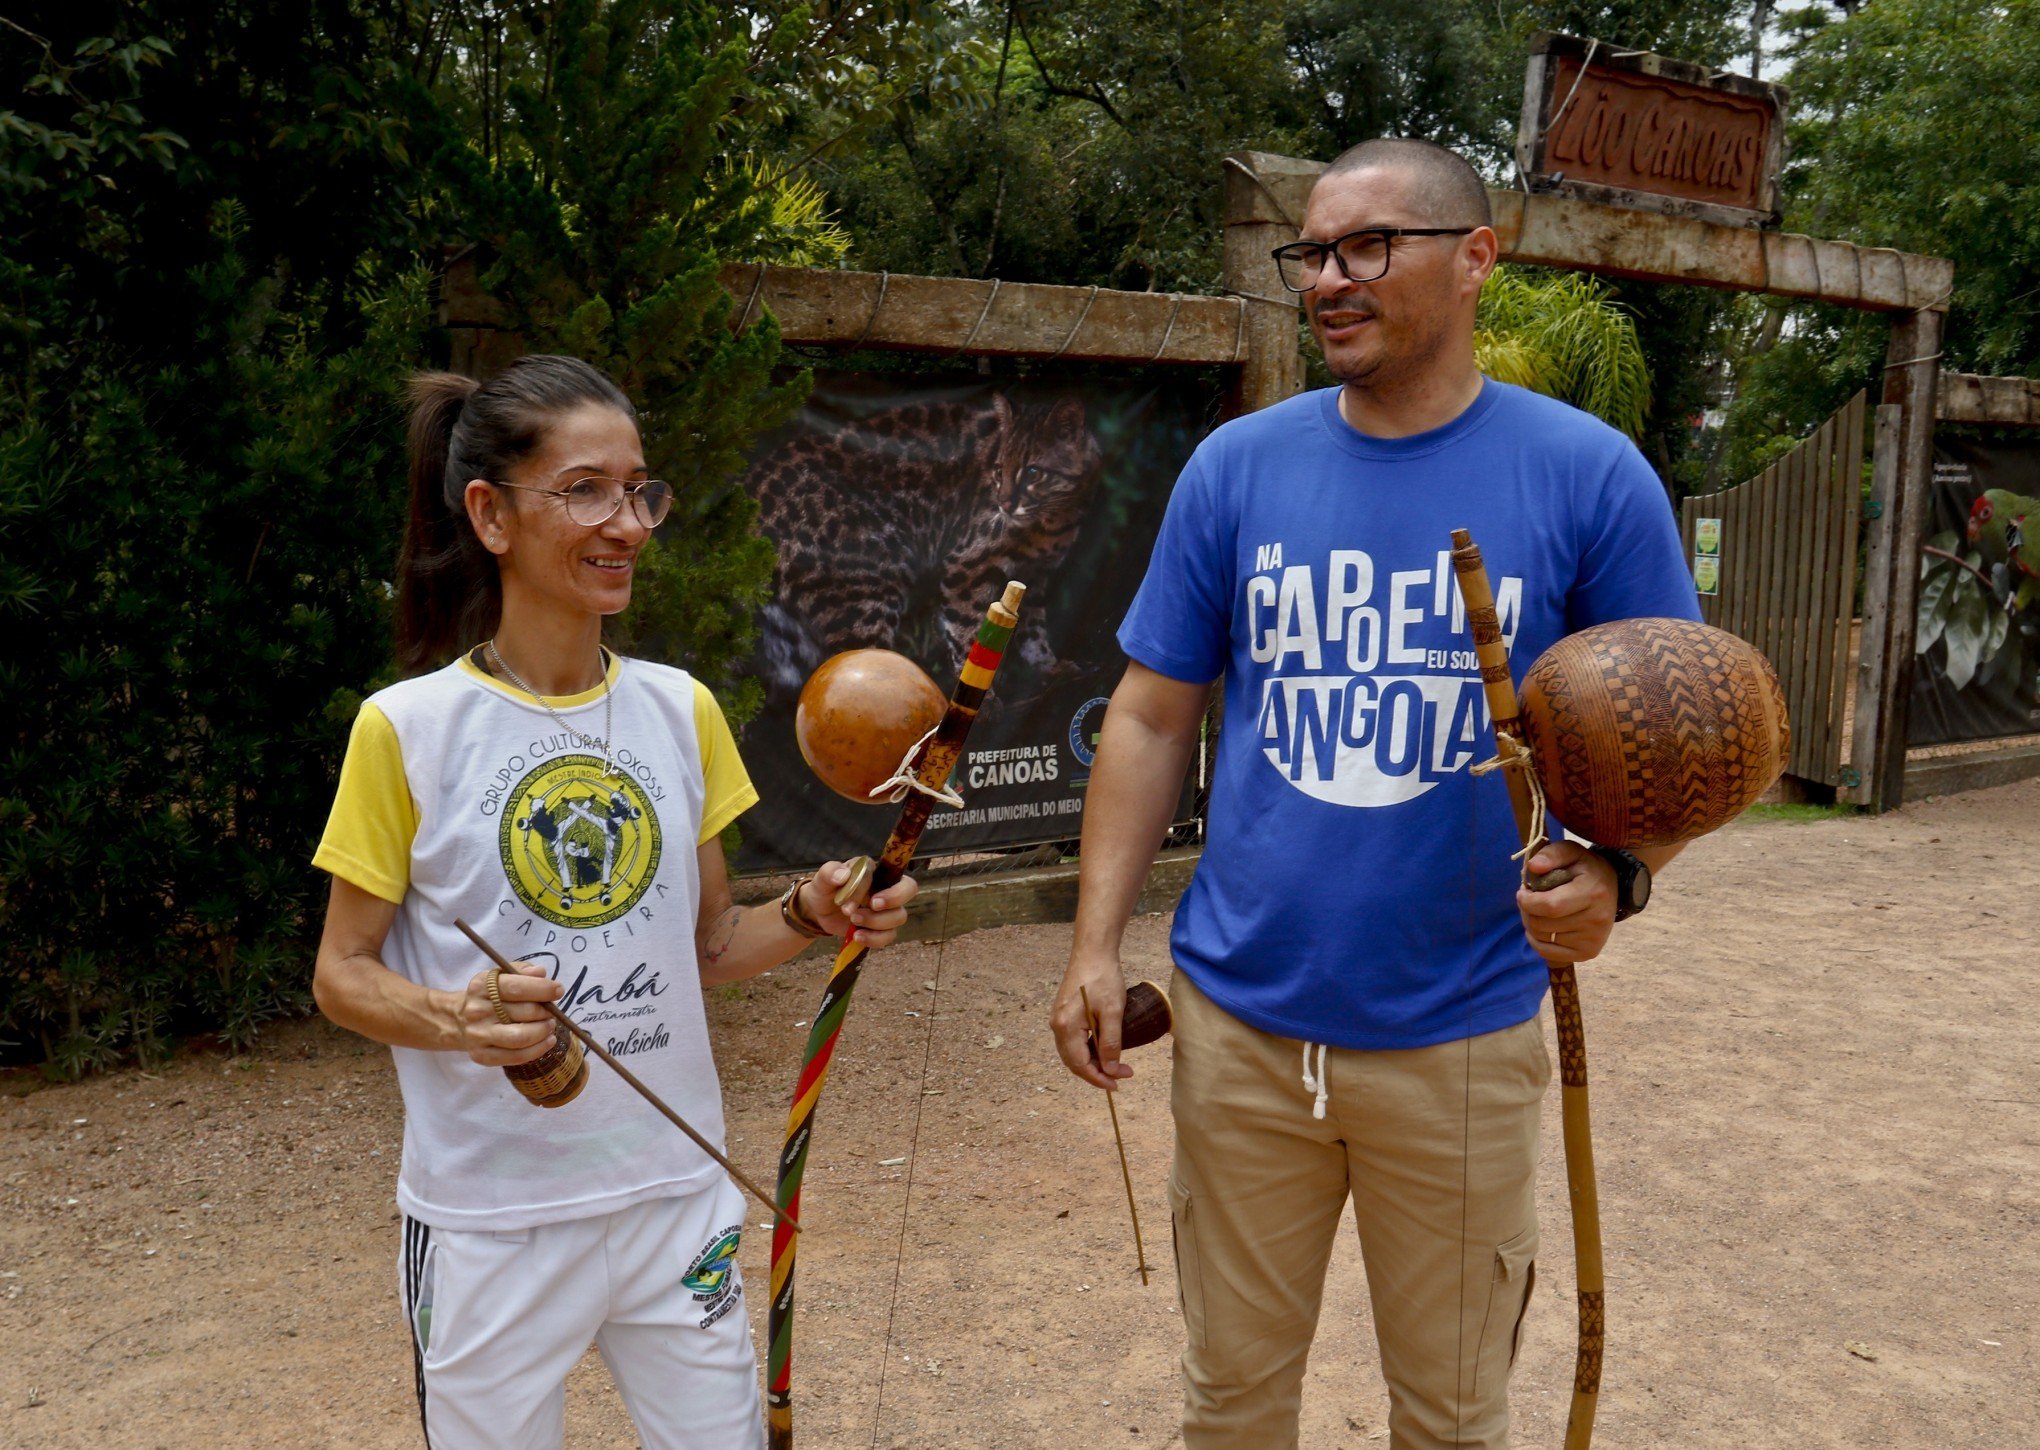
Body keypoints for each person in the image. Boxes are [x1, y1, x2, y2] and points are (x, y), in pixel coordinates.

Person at [1049, 139, 1698, 1449]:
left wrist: (1622, 872)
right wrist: (1093, 943)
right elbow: (1150, 710)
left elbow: (1669, 735)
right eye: (1315, 253)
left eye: (1368, 247)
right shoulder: (1238, 467)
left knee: (1453, 1418)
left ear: (1475, 257)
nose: (1330, 278)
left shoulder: (1587, 474)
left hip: (1461, 1030)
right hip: (1240, 1030)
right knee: (1228, 1405)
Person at [312, 355, 916, 1449]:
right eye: (585, 489)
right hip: (493, 1222)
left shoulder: (677, 709)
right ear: (490, 515)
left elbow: (709, 941)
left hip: (674, 1198)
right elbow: (341, 973)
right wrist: (459, 1017)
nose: (628, 522)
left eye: (640, 490)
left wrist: (814, 912)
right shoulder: (404, 729)